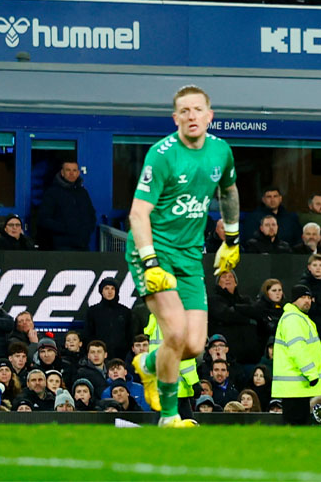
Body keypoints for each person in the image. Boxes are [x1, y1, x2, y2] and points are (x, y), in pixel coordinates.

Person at [129, 85, 240, 428]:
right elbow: (137, 213)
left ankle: (148, 364)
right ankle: (169, 417)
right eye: (184, 111)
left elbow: (230, 191)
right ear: (175, 117)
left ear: (210, 116)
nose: (191, 116)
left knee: (193, 346)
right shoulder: (161, 154)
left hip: (191, 257)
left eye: (197, 110)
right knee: (174, 334)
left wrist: (232, 240)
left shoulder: (221, 151)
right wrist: (149, 263)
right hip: (154, 251)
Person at [273, 285, 321, 426]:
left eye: (309, 297)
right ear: (294, 300)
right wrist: (312, 374)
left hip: (298, 386)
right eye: (302, 297)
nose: (307, 301)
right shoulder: (293, 319)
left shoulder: (299, 318)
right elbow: (298, 349)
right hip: (297, 385)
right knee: (297, 426)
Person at [36, 161, 96, 251]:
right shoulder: (52, 192)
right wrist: (65, 229)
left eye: (74, 170)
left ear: (78, 173)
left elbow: (91, 214)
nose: (71, 173)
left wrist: (86, 231)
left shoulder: (83, 193)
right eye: (68, 170)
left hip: (82, 245)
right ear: (62, 173)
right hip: (60, 247)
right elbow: (44, 219)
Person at [83, 277, 133, 363]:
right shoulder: (93, 311)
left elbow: (130, 334)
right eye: (106, 288)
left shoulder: (125, 311)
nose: (110, 291)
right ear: (101, 291)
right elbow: (88, 334)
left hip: (122, 357)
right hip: (99, 357)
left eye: (113, 288)